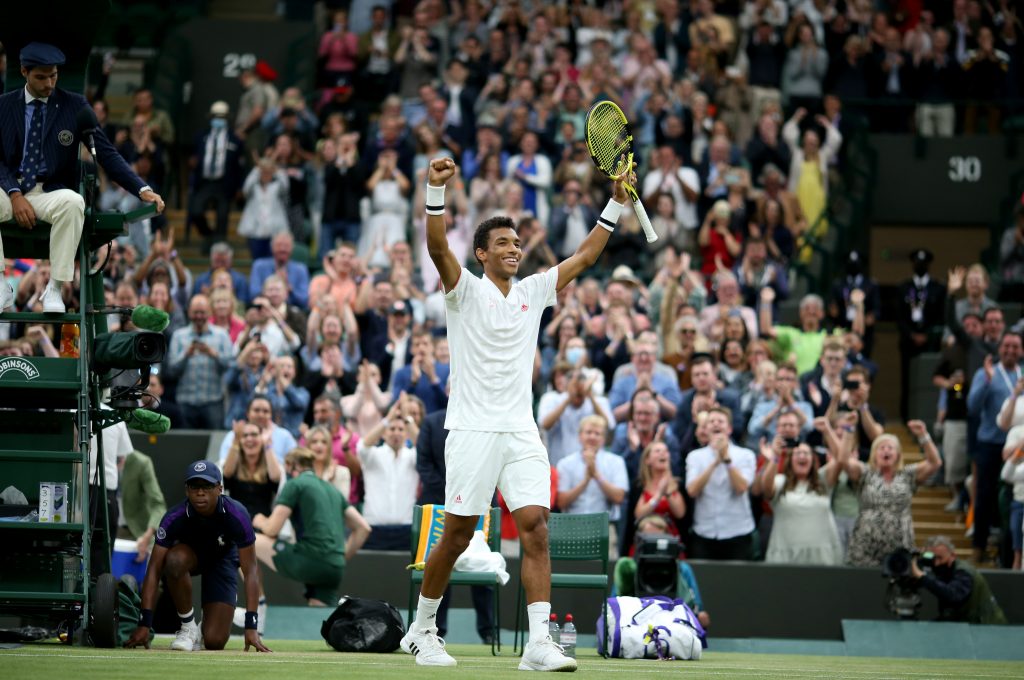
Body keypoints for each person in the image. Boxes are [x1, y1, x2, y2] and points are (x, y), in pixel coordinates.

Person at [402, 156, 629, 671]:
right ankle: (421, 629)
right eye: (502, 243)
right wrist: (435, 191)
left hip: (520, 430)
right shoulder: (463, 290)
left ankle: (538, 644)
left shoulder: (534, 291)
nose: (513, 249)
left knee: (535, 527)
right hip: (471, 429)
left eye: (517, 243)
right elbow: (438, 246)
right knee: (458, 535)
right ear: (481, 253)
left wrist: (615, 200)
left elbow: (586, 256)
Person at [0, 42, 165, 314]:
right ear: (23, 72)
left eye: (53, 75)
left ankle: (55, 287)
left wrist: (141, 188)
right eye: (41, 77)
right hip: (10, 189)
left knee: (73, 202)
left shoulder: (74, 105)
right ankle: (2, 284)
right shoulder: (4, 106)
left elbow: (108, 154)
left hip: (49, 191)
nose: (49, 83)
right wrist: (15, 194)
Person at [124, 461, 270, 652]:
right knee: (174, 560)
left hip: (223, 560)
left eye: (207, 486)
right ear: (187, 490)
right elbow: (154, 569)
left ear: (220, 489)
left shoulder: (238, 514)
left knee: (214, 642)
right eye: (195, 487)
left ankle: (213, 619)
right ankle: (188, 627)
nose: (200, 492)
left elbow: (250, 571)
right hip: (190, 558)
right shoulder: (173, 517)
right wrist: (144, 623)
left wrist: (252, 627)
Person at [416, 407, 498, 644]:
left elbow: (493, 463)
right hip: (438, 505)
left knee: (481, 563)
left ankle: (488, 630)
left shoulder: (487, 418)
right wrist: (454, 493)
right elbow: (424, 464)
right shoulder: (432, 422)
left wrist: (470, 493)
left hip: (480, 500)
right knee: (442, 559)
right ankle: (433, 628)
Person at [252, 448, 371, 607]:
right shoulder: (333, 489)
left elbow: (272, 529)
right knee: (318, 619)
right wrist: (340, 557)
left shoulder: (295, 484)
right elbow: (364, 528)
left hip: (309, 561)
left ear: (290, 466)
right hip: (335, 568)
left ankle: (258, 606)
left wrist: (259, 521)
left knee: (244, 540)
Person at [842, 421, 942, 567]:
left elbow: (935, 463)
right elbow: (843, 460)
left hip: (900, 544)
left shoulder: (907, 475)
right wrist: (848, 430)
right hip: (865, 544)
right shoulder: (865, 473)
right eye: (881, 448)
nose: (886, 451)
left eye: (890, 448)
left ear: (898, 455)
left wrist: (923, 435)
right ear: (874, 454)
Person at [685, 406, 758, 560]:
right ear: (706, 429)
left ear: (729, 429)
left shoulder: (746, 455)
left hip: (738, 532)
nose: (716, 424)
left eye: (720, 421)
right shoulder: (695, 457)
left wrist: (727, 461)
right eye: (711, 422)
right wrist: (714, 463)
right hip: (704, 532)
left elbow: (742, 487)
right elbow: (692, 491)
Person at [757, 439, 843, 565]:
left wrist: (828, 430)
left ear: (813, 460)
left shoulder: (823, 481)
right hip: (785, 556)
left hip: (821, 556)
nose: (802, 456)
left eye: (806, 453)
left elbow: (840, 458)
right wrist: (775, 457)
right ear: (790, 460)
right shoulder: (781, 482)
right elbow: (766, 487)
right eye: (797, 453)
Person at [555, 415, 629, 552]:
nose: (592, 437)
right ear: (579, 436)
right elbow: (561, 502)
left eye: (597, 433)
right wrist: (585, 481)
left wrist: (596, 475)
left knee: (607, 572)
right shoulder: (565, 463)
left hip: (605, 528)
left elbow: (619, 497)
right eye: (588, 432)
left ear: (604, 439)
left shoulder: (616, 462)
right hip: (571, 528)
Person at [165, 294, 234, 430]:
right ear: (189, 313)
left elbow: (230, 365)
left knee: (214, 444)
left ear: (209, 312)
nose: (199, 316)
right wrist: (186, 355)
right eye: (195, 312)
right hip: (185, 401)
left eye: (202, 312)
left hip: (213, 401)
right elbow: (171, 370)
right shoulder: (179, 335)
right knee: (185, 445)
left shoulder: (221, 335)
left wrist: (214, 354)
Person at [909, 536, 1007, 624]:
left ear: (952, 556)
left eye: (940, 558)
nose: (936, 563)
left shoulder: (964, 573)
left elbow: (953, 595)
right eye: (933, 558)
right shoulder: (940, 569)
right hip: (963, 623)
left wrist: (922, 576)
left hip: (987, 626)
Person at [117, 450, 167, 564]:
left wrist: (147, 536)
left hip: (137, 533)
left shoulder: (141, 463)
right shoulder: (92, 459)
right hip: (106, 533)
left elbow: (158, 505)